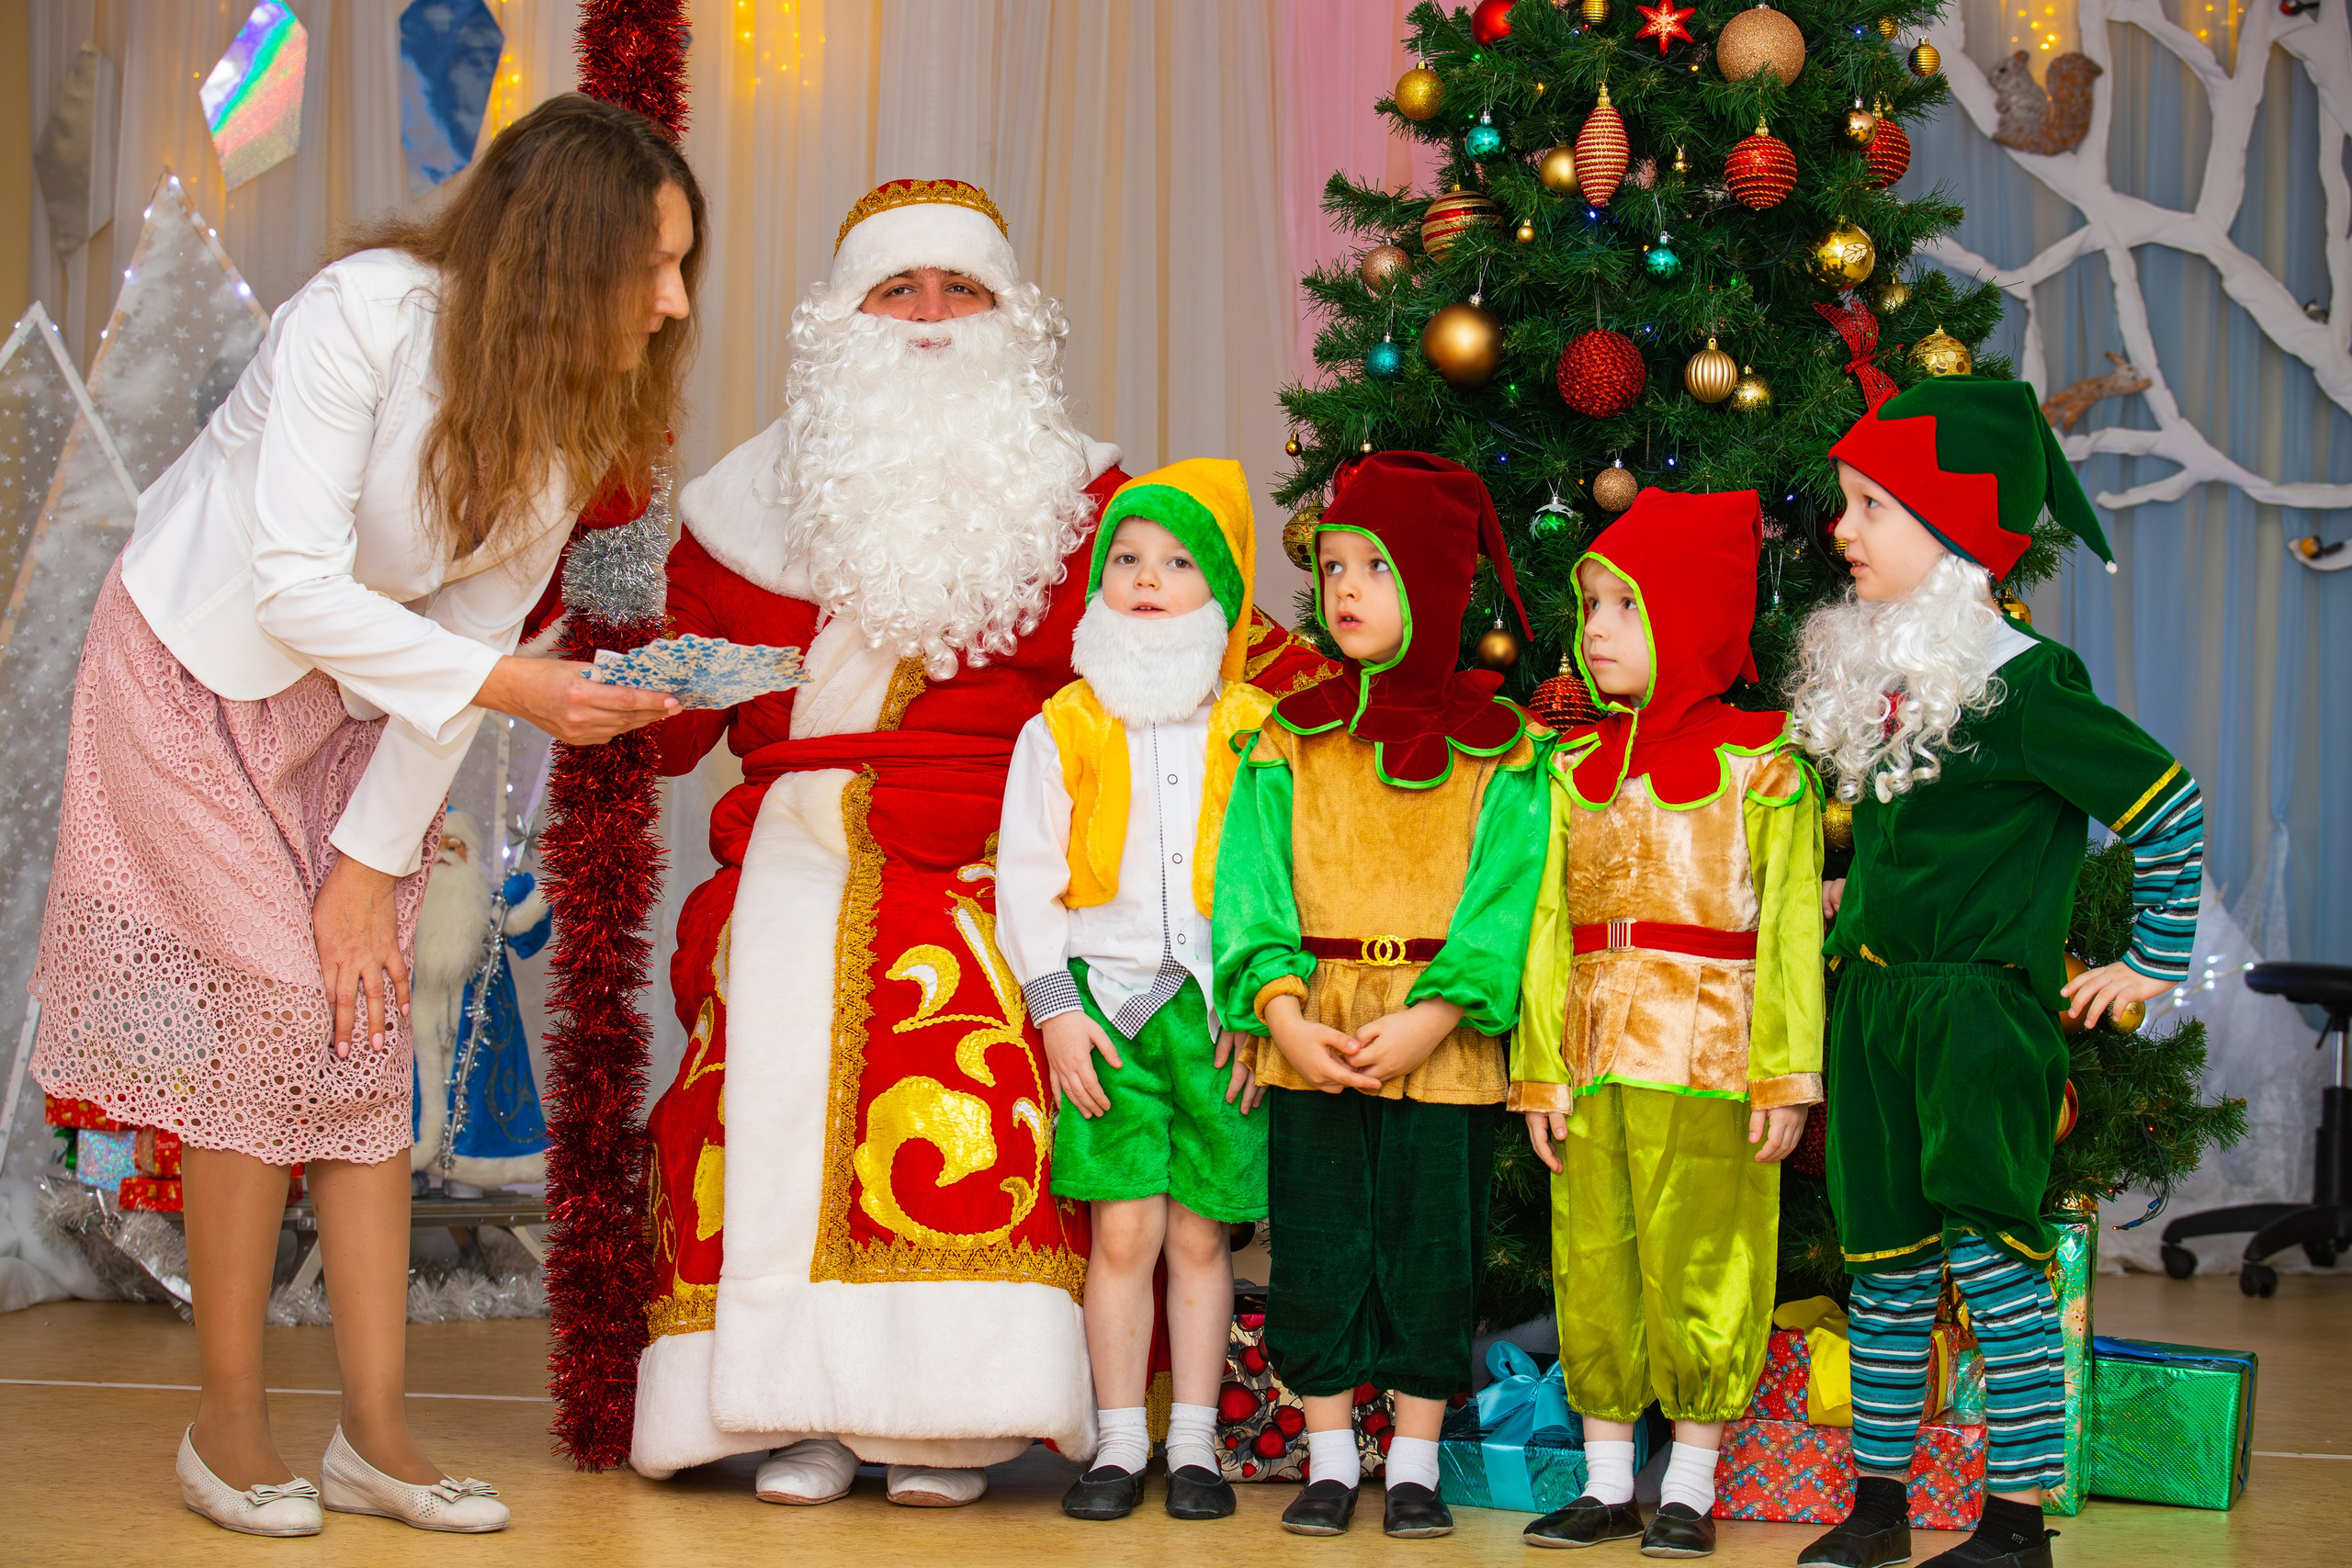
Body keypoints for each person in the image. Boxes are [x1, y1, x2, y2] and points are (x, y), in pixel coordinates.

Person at [27, 93, 700, 1537]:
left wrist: (363, 874)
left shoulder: (572, 424)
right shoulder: (364, 315)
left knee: (360, 1017)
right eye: (653, 264)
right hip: (187, 669)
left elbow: (460, 651)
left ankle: (375, 1436)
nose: (675, 301)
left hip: (355, 706)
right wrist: (514, 687)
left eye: (680, 266)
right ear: (563, 249)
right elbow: (293, 587)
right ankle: (227, 1423)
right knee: (271, 1011)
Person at [629, 179, 1332, 1506]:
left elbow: (1216, 654)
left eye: (963, 289)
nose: (932, 317)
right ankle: (795, 1410)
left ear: (1011, 319)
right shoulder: (735, 512)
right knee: (765, 1053)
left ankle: (951, 1417)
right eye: (898, 289)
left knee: (978, 1046)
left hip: (1005, 853)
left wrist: (1392, 706)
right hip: (789, 842)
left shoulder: (1087, 500)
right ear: (843, 318)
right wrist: (613, 622)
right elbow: (660, 724)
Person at [1786, 379, 2199, 1568]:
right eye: (1846, 504)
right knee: (1881, 1267)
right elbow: (1926, 844)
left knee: (1994, 1267)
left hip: (1977, 1017)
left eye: (1870, 505)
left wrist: (2149, 960)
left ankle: (2013, 1524)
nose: (1843, 530)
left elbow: (2167, 805)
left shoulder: (2030, 684)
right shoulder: (1902, 681)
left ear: (1953, 529)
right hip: (1876, 1006)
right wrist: (1852, 899)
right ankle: (1877, 1508)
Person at [1213, 451, 1552, 1540]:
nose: (1345, 589)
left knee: (1428, 1250)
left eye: (1375, 569)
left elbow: (1506, 899)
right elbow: (1251, 886)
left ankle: (1410, 1463)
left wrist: (1434, 1016)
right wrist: (1281, 1014)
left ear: (1437, 584)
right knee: (1317, 1246)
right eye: (1333, 567)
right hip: (1311, 1027)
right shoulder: (1288, 735)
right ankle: (1325, 1460)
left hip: (1437, 1041)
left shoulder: (1505, 750)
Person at [1510, 488, 1825, 1558]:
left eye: (1623, 607)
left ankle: (1687, 1484)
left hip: (1714, 1063)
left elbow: (1790, 932)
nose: (1594, 630)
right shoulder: (1569, 771)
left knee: (1706, 1265)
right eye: (1589, 605)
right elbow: (1546, 928)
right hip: (1592, 1060)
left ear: (1687, 615)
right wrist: (1539, 1070)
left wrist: (1785, 1074)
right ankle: (1606, 1485)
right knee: (1593, 1261)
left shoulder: (1763, 768)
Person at [996, 458, 1273, 1524]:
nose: (1148, 579)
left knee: (1201, 1234)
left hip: (1220, 1017)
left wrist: (1262, 1007)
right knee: (1122, 1233)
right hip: (1106, 1015)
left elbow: (1279, 878)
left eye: (1177, 562)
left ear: (1222, 592)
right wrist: (1055, 1012)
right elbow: (1027, 876)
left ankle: (1192, 1443)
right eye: (1126, 559)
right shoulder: (1062, 726)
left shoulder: (1257, 729)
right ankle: (1118, 1442)